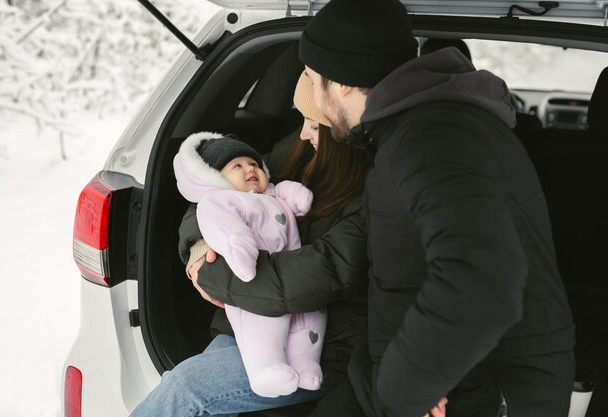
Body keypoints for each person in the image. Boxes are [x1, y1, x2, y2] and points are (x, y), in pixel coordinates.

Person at [298, 0, 575, 417]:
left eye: (309, 75)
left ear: (341, 83)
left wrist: (406, 387)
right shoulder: (415, 129)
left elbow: (483, 278)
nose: (308, 88)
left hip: (473, 390)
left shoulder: (430, 138)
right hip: (438, 376)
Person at [130, 72, 378, 417]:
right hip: (250, 321)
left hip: (322, 344)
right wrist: (201, 245)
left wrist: (212, 275)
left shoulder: (374, 186)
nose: (303, 133)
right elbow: (220, 188)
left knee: (185, 391)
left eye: (312, 123)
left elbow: (321, 274)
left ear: (343, 129)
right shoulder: (301, 146)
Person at [172, 130, 326, 398]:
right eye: (238, 166)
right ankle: (267, 368)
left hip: (300, 294)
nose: (250, 169)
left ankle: (305, 363)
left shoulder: (271, 191)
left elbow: (285, 190)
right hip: (253, 286)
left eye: (254, 165)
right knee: (261, 329)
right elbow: (213, 210)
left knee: (309, 322)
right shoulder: (227, 196)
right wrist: (205, 245)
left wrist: (296, 196)